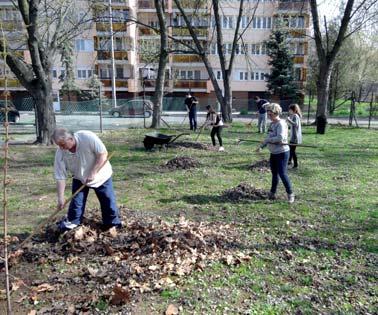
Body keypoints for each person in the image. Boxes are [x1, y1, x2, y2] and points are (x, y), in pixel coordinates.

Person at [52, 128, 122, 231]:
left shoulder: (87, 137)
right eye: (59, 145)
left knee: (108, 202)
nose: (61, 148)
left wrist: (93, 172)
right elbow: (60, 176)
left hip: (101, 175)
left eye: (63, 144)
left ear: (71, 138)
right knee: (76, 203)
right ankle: (73, 223)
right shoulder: (60, 153)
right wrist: (60, 198)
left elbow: (102, 154)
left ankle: (112, 224)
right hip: (79, 178)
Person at [256, 103, 295, 203]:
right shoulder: (272, 124)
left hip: (282, 152)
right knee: (274, 173)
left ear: (276, 113)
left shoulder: (280, 123)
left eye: (270, 114)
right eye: (268, 114)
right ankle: (272, 192)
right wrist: (261, 146)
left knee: (282, 173)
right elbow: (268, 137)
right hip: (273, 152)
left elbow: (280, 138)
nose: (269, 116)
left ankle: (290, 194)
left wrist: (270, 140)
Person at [287, 103, 302, 168]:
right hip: (293, 137)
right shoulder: (294, 116)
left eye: (289, 110)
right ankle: (289, 161)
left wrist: (288, 120)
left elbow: (295, 124)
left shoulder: (295, 116)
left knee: (292, 151)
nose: (289, 111)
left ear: (293, 110)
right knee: (290, 150)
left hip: (295, 138)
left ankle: (295, 164)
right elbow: (292, 126)